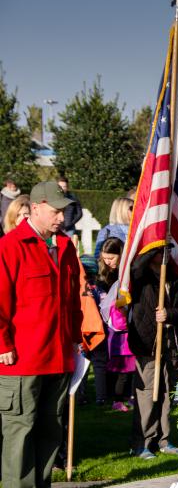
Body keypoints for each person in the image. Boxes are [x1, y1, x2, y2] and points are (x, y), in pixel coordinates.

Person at [0, 181, 83, 487]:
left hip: (59, 357)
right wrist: (2, 343)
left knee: (51, 431)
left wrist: (76, 338)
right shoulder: (10, 246)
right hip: (22, 358)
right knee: (20, 430)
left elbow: (74, 298)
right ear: (35, 208)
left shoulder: (65, 246)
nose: (61, 217)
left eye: (63, 210)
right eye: (56, 210)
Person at [128, 247, 178, 459]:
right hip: (147, 344)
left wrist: (169, 314)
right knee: (147, 393)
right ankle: (142, 443)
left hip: (170, 344)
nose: (165, 253)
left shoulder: (175, 277)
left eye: (167, 249)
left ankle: (163, 439)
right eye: (160, 250)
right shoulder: (140, 278)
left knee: (167, 392)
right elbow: (135, 266)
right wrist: (153, 245)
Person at [96, 238, 135, 412]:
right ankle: (114, 397)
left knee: (129, 364)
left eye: (111, 258)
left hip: (125, 320)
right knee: (115, 363)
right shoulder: (105, 274)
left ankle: (128, 395)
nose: (108, 262)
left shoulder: (126, 272)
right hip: (111, 323)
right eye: (105, 258)